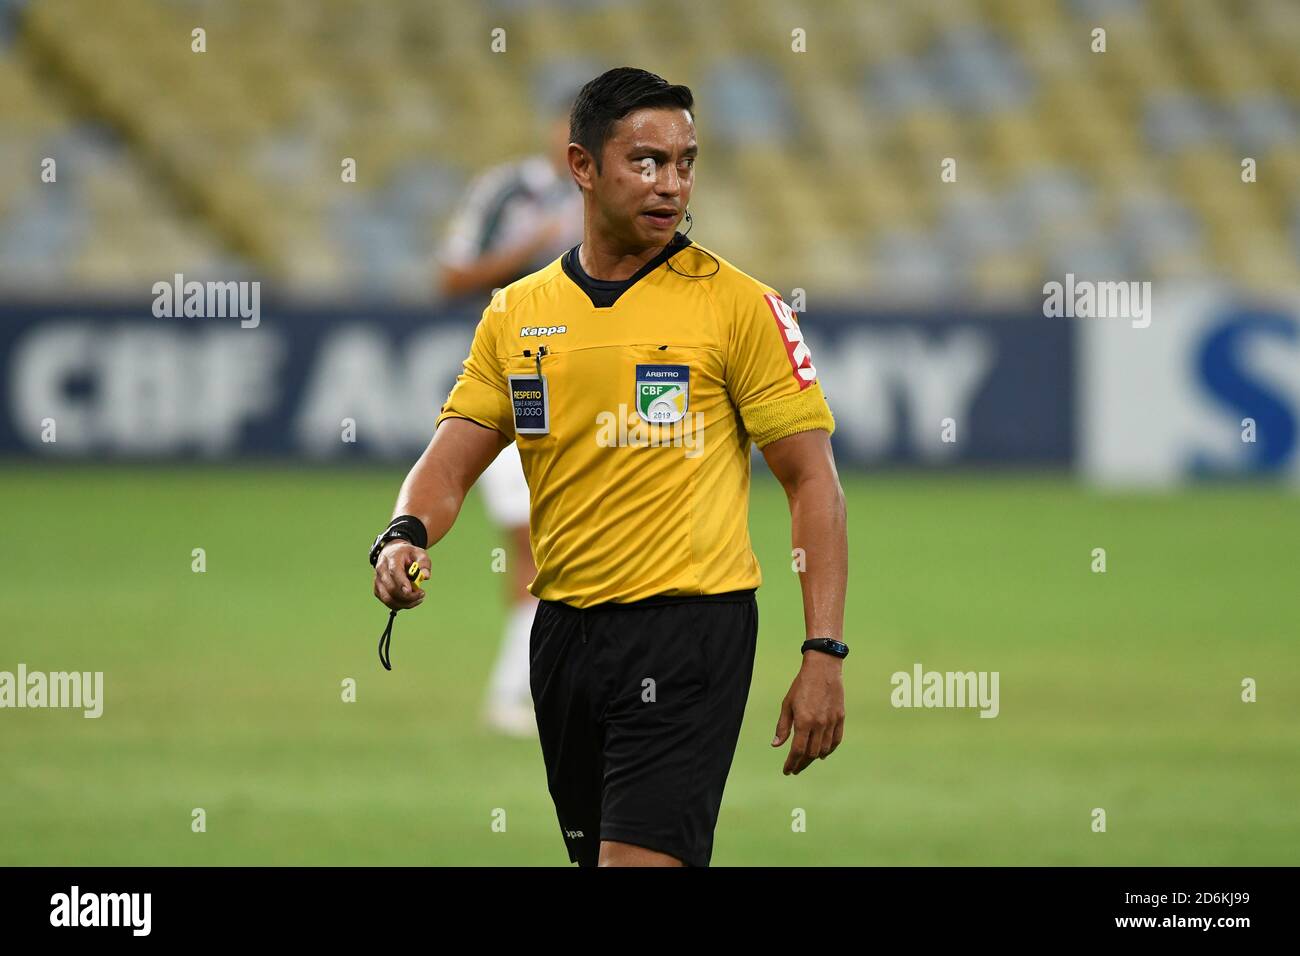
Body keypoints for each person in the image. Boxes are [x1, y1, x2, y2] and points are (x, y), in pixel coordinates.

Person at [371, 67, 848, 867]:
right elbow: (451, 458)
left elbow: (811, 481)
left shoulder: (742, 308)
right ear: (582, 168)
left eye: (686, 161)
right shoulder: (518, 313)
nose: (672, 184)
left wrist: (822, 651)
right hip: (563, 639)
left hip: (691, 630)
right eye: (646, 161)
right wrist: (404, 533)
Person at [435, 92, 583, 737]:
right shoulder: (506, 193)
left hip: (591, 393)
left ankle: (539, 689)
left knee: (574, 547)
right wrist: (526, 248)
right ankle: (512, 693)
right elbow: (450, 279)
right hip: (517, 386)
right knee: (534, 544)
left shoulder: (619, 199)